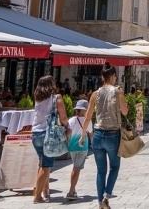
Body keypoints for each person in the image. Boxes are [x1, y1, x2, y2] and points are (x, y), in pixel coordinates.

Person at [80, 63, 128, 209]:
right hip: (113, 134)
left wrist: (83, 136)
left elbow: (88, 116)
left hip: (98, 134)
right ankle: (107, 195)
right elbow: (125, 112)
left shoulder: (95, 94)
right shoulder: (118, 91)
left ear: (102, 77)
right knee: (114, 167)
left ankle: (100, 202)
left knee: (101, 170)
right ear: (113, 76)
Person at [31, 75, 68, 204]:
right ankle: (37, 196)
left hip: (35, 133)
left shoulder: (37, 99)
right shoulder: (56, 98)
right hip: (48, 134)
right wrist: (67, 126)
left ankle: (45, 191)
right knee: (46, 165)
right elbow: (63, 117)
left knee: (42, 163)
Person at [66, 99, 93, 201]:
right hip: (82, 147)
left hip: (72, 147)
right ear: (85, 110)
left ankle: (73, 190)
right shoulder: (88, 120)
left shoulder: (71, 120)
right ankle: (71, 191)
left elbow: (68, 133)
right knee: (76, 169)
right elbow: (90, 133)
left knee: (75, 167)